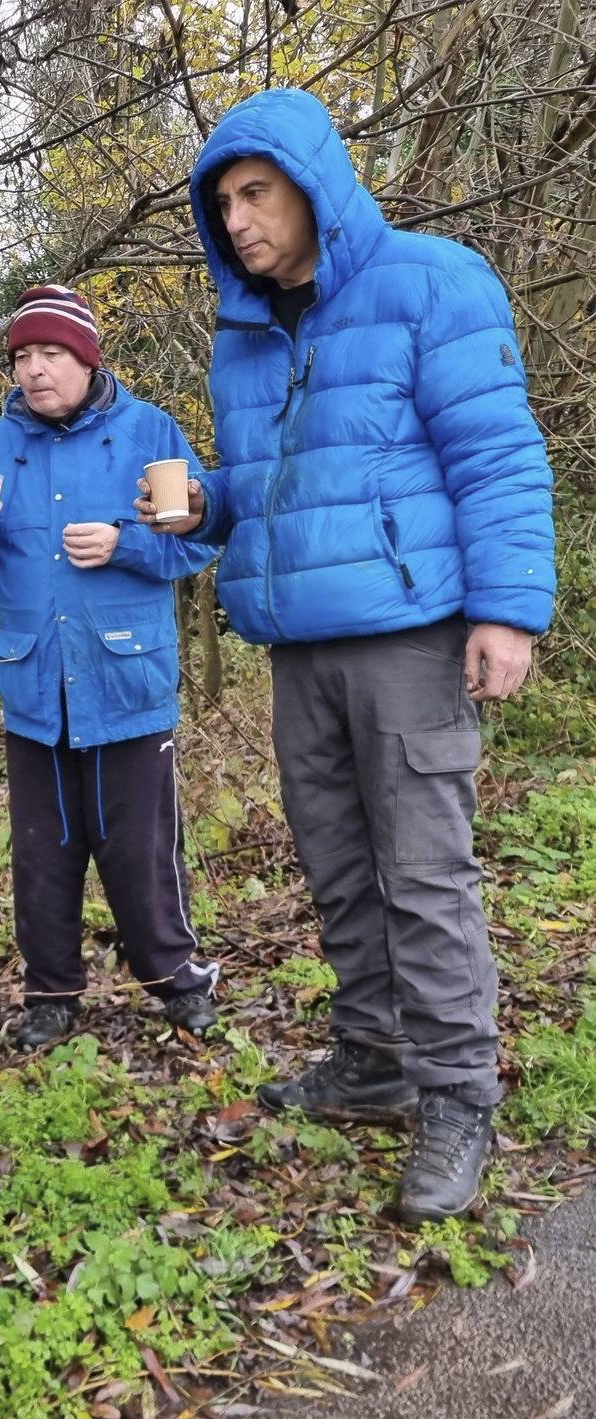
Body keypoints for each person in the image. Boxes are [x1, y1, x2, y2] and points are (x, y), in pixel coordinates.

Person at [142, 89, 555, 1223]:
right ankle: (371, 1061)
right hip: (298, 648)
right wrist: (205, 510)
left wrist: (507, 610)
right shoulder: (244, 330)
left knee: (423, 877)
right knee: (334, 867)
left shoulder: (430, 281)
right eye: (220, 202)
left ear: (311, 183)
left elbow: (496, 455)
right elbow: (283, 482)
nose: (235, 220)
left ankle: (457, 1096)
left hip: (409, 637)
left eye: (254, 192)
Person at [0, 285, 220, 1052]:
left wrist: (125, 543)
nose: (33, 369)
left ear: (87, 359)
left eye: (50, 353)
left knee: (140, 851)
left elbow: (196, 540)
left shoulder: (148, 430)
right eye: (22, 355)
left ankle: (175, 980)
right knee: (43, 853)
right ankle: (50, 993)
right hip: (35, 689)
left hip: (126, 684)